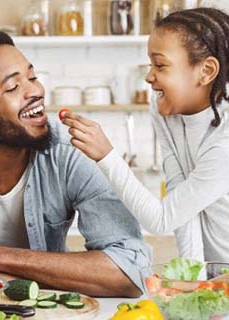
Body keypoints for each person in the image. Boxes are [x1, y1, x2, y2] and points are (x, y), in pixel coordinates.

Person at [0, 30, 151, 297]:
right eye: (13, 87)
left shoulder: (71, 149)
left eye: (33, 77)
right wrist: (64, 274)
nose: (35, 91)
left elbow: (130, 272)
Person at [62, 7, 229, 262]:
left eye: (160, 65)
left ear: (206, 71)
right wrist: (194, 279)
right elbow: (180, 200)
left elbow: (161, 220)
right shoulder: (165, 110)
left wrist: (107, 156)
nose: (149, 77)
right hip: (219, 276)